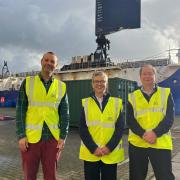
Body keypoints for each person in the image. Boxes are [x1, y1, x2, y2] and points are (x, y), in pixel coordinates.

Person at [16, 52, 69, 180]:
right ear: (41, 61)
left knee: (51, 176)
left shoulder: (61, 87)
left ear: (55, 66)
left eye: (52, 62)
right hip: (30, 139)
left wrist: (63, 136)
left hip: (52, 139)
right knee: (29, 175)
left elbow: (65, 113)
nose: (49, 63)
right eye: (46, 60)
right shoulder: (28, 82)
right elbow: (20, 111)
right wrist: (21, 136)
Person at [127, 64, 175, 180]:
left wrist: (155, 133)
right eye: (144, 74)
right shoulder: (132, 96)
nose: (147, 76)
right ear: (140, 76)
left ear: (155, 76)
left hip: (160, 142)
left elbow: (169, 118)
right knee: (136, 177)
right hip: (138, 143)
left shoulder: (166, 93)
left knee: (165, 176)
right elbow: (130, 120)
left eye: (150, 73)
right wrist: (143, 134)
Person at [79, 71, 124, 180]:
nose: (99, 84)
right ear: (92, 84)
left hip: (110, 153)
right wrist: (93, 148)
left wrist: (109, 147)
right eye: (96, 81)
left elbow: (119, 129)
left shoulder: (116, 103)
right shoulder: (86, 103)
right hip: (91, 154)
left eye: (102, 81)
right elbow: (82, 129)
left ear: (106, 83)